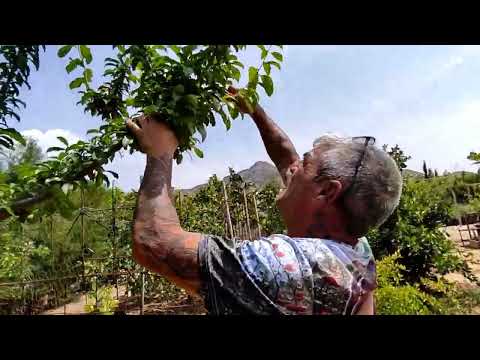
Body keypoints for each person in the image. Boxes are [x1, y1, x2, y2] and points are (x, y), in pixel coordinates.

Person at [126, 88, 402, 315]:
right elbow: (288, 158)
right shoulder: (356, 250)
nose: (292, 169)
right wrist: (255, 112)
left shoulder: (291, 268)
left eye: (304, 165)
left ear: (327, 192)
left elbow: (154, 241)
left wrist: (160, 152)